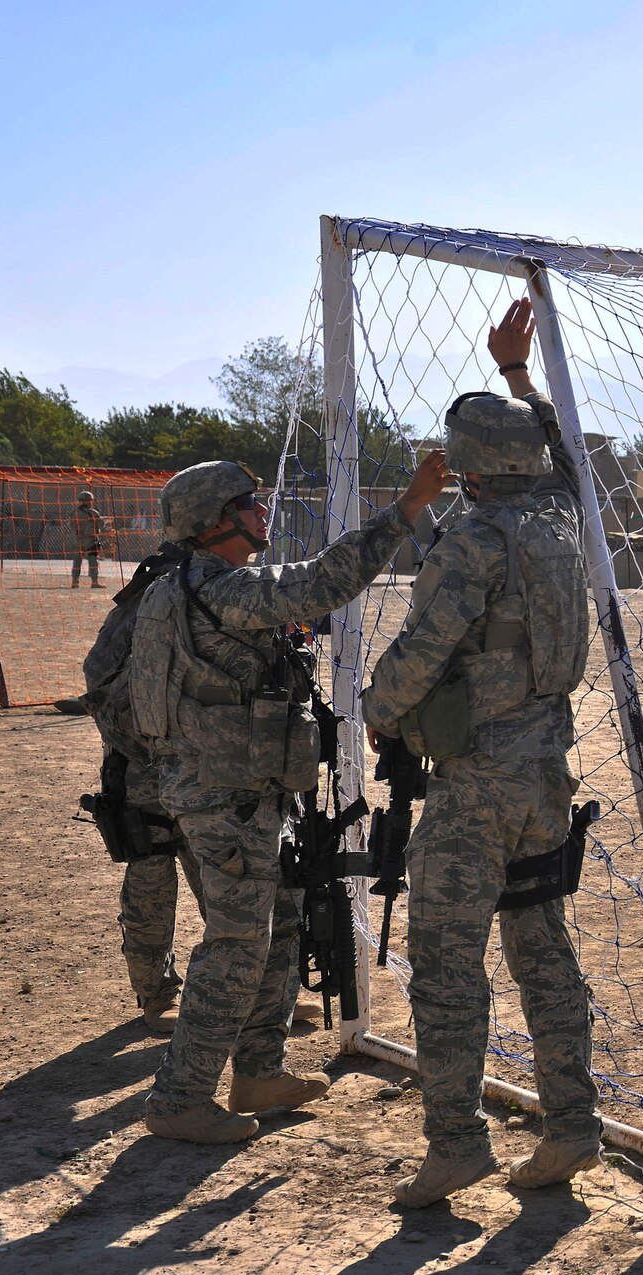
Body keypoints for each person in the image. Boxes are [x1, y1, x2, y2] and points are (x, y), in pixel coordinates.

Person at [127, 450, 448, 1145]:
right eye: (249, 503)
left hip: (236, 794)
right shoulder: (216, 589)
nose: (262, 511)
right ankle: (180, 1095)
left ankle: (258, 1071)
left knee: (276, 925)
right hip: (227, 800)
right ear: (214, 523)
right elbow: (320, 582)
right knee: (238, 943)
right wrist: (406, 509)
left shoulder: (177, 586)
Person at [359, 300, 601, 1206]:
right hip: (546, 771)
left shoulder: (471, 540)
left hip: (473, 788)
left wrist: (377, 710)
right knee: (542, 945)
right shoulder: (557, 520)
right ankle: (574, 1122)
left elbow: (420, 653)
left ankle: (456, 1141)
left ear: (466, 466)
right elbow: (569, 462)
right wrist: (518, 378)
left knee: (446, 962)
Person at [81, 537, 199, 1032]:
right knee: (152, 879)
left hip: (211, 768)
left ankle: (252, 990)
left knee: (230, 876)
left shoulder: (230, 585)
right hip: (147, 769)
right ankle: (156, 995)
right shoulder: (159, 591)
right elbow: (101, 683)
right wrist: (154, 743)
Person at [72, 490, 107, 589]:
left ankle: (75, 582)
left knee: (77, 561)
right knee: (92, 561)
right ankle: (94, 582)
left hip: (79, 540)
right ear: (89, 501)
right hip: (91, 540)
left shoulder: (74, 512)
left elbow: (71, 525)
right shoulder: (93, 513)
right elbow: (101, 524)